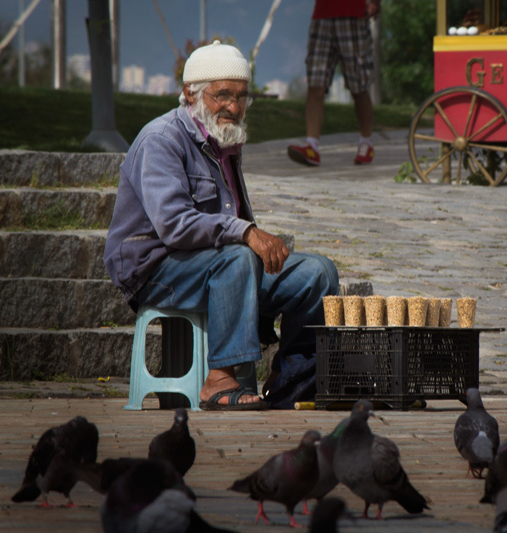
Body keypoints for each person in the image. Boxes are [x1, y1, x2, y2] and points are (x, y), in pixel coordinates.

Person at [104, 41, 339, 410]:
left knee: (317, 272)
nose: (233, 106)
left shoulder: (225, 140)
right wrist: (246, 233)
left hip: (218, 264)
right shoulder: (161, 139)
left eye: (241, 96)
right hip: (156, 267)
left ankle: (291, 379)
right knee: (237, 258)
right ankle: (219, 380)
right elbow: (174, 226)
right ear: (190, 94)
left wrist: (247, 237)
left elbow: (230, 225)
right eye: (223, 95)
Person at [287, 0, 381, 167]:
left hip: (353, 13)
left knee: (358, 86)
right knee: (315, 82)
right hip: (322, 15)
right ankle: (312, 146)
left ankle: (366, 143)